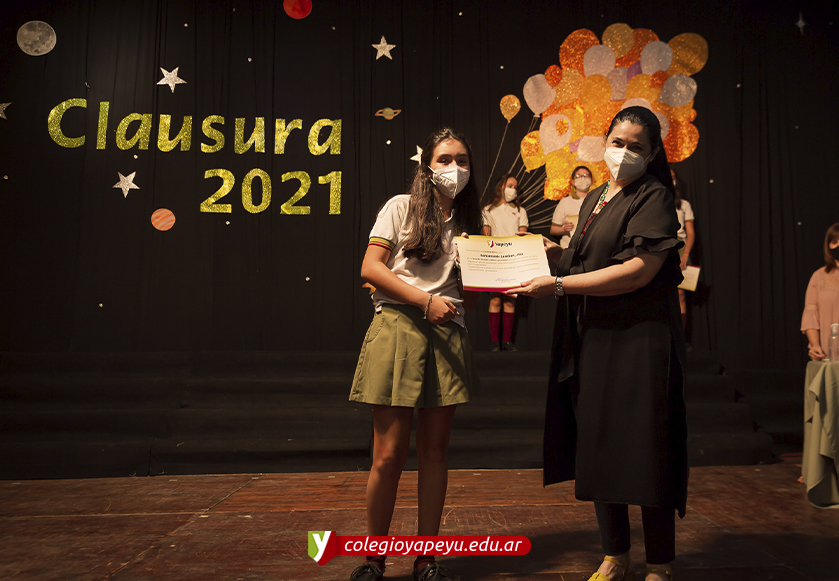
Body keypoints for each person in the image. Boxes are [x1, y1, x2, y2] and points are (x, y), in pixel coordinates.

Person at [507, 106, 688, 581]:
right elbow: (583, 259)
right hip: (593, 337)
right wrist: (550, 255)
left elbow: (637, 272)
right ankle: (615, 555)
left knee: (646, 448)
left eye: (636, 146)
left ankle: (660, 563)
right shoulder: (595, 196)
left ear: (653, 153)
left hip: (640, 340)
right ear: (604, 141)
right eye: (617, 142)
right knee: (599, 445)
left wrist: (559, 285)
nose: (623, 153)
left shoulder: (654, 197)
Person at [348, 127, 482, 581]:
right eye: (445, 159)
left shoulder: (472, 222)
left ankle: (427, 558)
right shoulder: (400, 207)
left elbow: (471, 296)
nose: (454, 168)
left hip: (449, 333)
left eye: (462, 160)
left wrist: (508, 270)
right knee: (388, 454)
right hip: (399, 327)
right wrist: (425, 301)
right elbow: (370, 267)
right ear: (427, 166)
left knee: (435, 453)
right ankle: (374, 558)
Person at [481, 174, 529, 351]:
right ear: (501, 187)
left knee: (510, 301)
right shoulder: (488, 210)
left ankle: (507, 342)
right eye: (510, 186)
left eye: (515, 187)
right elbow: (486, 236)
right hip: (495, 259)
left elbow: (523, 235)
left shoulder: (520, 211)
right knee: (495, 299)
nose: (513, 190)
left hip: (513, 259)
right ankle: (495, 342)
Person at [801, 223, 839, 361]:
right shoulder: (819, 276)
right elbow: (811, 314)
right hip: (829, 357)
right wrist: (815, 345)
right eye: (834, 242)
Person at [671, 169, 695, 343]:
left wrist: (685, 254)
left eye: (673, 177)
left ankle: (681, 340)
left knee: (681, 294)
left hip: (681, 248)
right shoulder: (655, 201)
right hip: (662, 247)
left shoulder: (684, 204)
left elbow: (691, 233)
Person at [551, 165, 594, 248]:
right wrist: (564, 229)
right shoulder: (565, 202)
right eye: (578, 176)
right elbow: (553, 230)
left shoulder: (598, 200)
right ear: (573, 181)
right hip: (569, 247)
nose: (582, 178)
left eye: (586, 175)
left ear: (591, 180)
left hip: (591, 247)